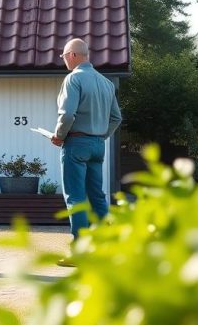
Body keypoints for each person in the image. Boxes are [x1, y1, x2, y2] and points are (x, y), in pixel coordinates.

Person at [50, 38, 122, 263]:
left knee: (76, 197)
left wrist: (59, 136)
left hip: (76, 144)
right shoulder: (106, 83)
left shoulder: (73, 79)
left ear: (72, 55)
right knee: (98, 196)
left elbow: (68, 114)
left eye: (63, 57)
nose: (64, 61)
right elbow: (116, 118)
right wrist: (100, 136)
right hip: (98, 145)